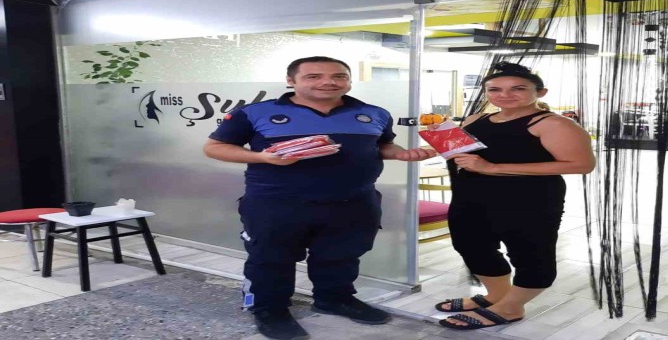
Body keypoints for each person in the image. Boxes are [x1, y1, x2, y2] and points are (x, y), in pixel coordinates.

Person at [203, 56, 436, 340]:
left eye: (339, 76)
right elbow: (214, 147)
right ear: (291, 81)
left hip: (354, 201)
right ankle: (269, 309)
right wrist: (262, 157)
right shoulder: (255, 113)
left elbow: (383, 144)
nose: (328, 82)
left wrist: (401, 153)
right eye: (313, 76)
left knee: (342, 256)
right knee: (270, 259)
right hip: (277, 203)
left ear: (349, 81)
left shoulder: (373, 113)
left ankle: (334, 299)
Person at [434, 62, 595, 331]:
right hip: (471, 194)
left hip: (529, 199)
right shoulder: (475, 119)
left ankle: (511, 307)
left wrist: (493, 168)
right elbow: (459, 151)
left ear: (540, 92)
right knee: (471, 245)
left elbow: (581, 164)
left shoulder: (554, 124)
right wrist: (425, 150)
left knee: (530, 254)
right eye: (494, 89)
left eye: (517, 89)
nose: (504, 95)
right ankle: (496, 296)